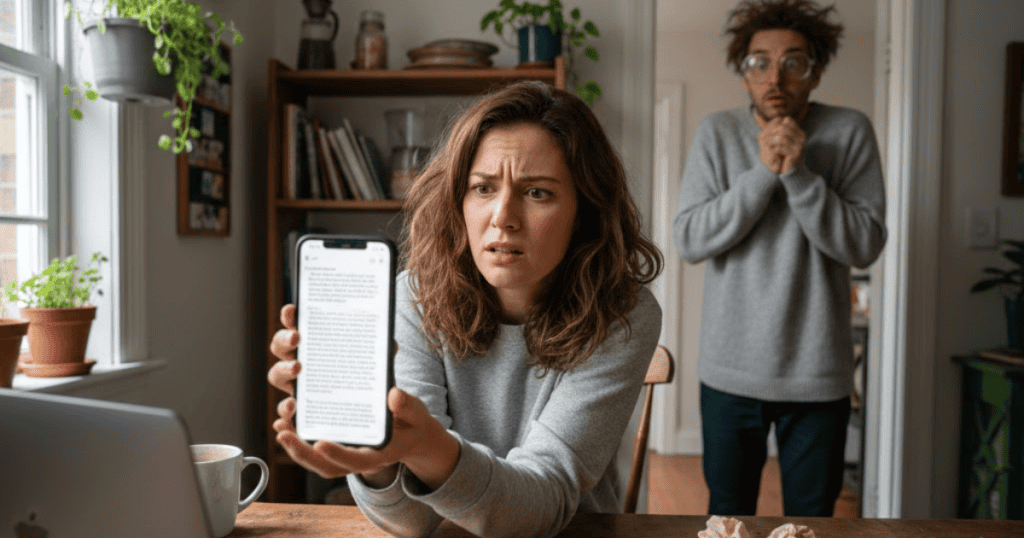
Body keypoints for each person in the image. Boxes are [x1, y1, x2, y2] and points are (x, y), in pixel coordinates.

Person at [268, 81, 663, 538]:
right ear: (458, 202)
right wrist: (375, 458)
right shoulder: (415, 297)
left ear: (585, 211)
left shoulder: (624, 316)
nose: (503, 216)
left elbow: (543, 502)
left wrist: (424, 448)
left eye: (537, 193)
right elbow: (415, 522)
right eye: (482, 188)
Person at [673, 0, 887, 517]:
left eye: (794, 62)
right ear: (742, 75)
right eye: (759, 63)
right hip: (729, 372)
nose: (776, 77)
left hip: (818, 374)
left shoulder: (848, 131)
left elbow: (865, 244)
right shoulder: (716, 134)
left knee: (813, 522)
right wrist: (763, 173)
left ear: (815, 73)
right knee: (727, 517)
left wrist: (798, 173)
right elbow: (690, 239)